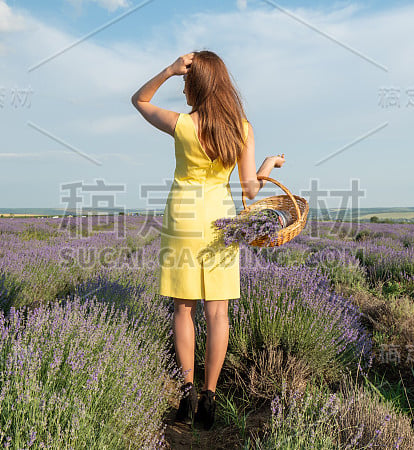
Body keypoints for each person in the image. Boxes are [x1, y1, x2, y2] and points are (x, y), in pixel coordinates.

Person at [131, 50, 285, 429]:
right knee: (218, 313)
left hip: (183, 218)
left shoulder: (181, 124)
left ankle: (186, 393)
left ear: (197, 84)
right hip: (221, 223)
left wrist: (168, 69)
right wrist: (267, 165)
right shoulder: (241, 129)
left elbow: (139, 99)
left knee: (184, 309)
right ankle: (210, 398)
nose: (182, 86)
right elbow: (250, 191)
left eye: (186, 80)